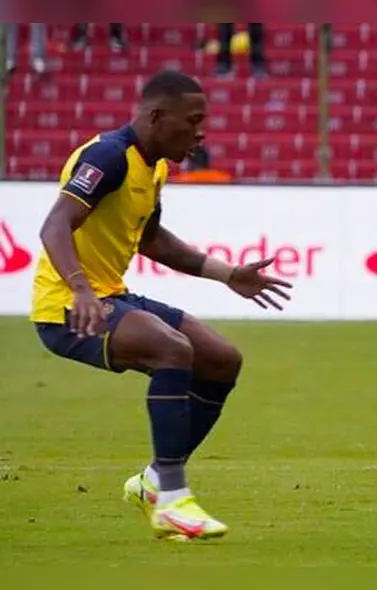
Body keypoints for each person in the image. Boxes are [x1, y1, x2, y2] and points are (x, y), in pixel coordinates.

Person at [30, 69, 292, 541]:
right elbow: (54, 226)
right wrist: (81, 290)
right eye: (192, 121)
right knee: (173, 350)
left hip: (110, 294)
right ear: (157, 117)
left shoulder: (154, 167)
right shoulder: (108, 156)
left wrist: (227, 273)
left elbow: (152, 240)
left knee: (221, 360)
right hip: (66, 308)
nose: (201, 132)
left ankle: (153, 479)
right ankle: (171, 498)